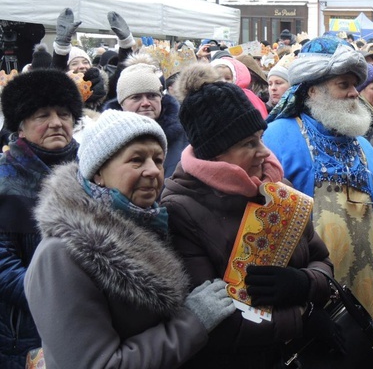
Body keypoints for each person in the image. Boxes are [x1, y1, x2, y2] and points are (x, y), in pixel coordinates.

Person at [24, 110, 236, 368]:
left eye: (158, 160)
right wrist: (192, 322)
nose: (153, 171)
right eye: (136, 160)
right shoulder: (61, 255)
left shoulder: (153, 224)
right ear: (98, 172)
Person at [161, 63, 334, 368]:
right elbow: (219, 320)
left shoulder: (275, 187)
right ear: (215, 154)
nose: (265, 152)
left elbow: (322, 259)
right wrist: (302, 319)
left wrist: (304, 283)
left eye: (261, 138)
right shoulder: (181, 210)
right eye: (248, 144)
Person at [263, 36, 373, 369]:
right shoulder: (278, 139)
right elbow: (270, 236)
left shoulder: (364, 145)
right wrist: (300, 309)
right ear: (312, 89)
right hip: (312, 310)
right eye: (344, 84)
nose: (354, 93)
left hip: (371, 302)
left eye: (355, 85)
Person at [0, 69, 83, 368]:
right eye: (42, 115)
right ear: (20, 126)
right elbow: (2, 264)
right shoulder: (3, 178)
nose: (56, 123)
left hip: (89, 324)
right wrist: (59, 301)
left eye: (64, 113)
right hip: (24, 329)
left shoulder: (94, 170)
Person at [104, 55, 187, 177]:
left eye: (152, 96)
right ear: (122, 103)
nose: (146, 103)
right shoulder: (106, 139)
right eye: (136, 97)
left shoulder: (184, 135)